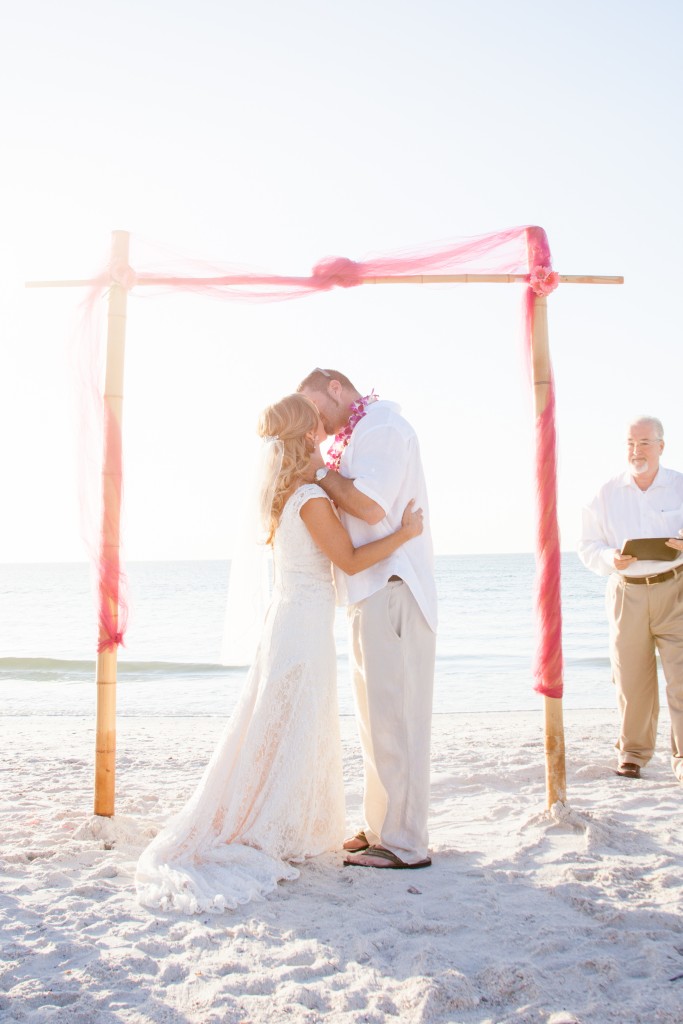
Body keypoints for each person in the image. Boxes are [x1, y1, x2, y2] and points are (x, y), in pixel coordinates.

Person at [135, 393, 423, 912]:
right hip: (304, 625)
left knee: (286, 722)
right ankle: (281, 823)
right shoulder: (309, 497)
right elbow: (352, 561)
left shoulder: (289, 492)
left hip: (294, 619)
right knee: (297, 722)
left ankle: (289, 817)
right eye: (318, 425)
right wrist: (405, 534)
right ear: (310, 433)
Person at [297, 368, 437, 869]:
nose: (314, 419)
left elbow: (373, 507)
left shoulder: (380, 426)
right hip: (371, 588)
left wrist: (314, 471)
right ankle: (383, 827)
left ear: (337, 387)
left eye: (315, 405)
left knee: (396, 719)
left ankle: (404, 843)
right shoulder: (359, 431)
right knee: (377, 720)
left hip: (391, 586)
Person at [578, 416, 683, 783]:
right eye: (630, 443)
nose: (636, 450)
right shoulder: (605, 493)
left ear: (661, 446)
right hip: (627, 593)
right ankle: (633, 754)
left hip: (677, 589)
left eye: (643, 443)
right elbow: (587, 545)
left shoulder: (679, 486)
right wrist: (611, 559)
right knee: (631, 679)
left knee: (681, 678)